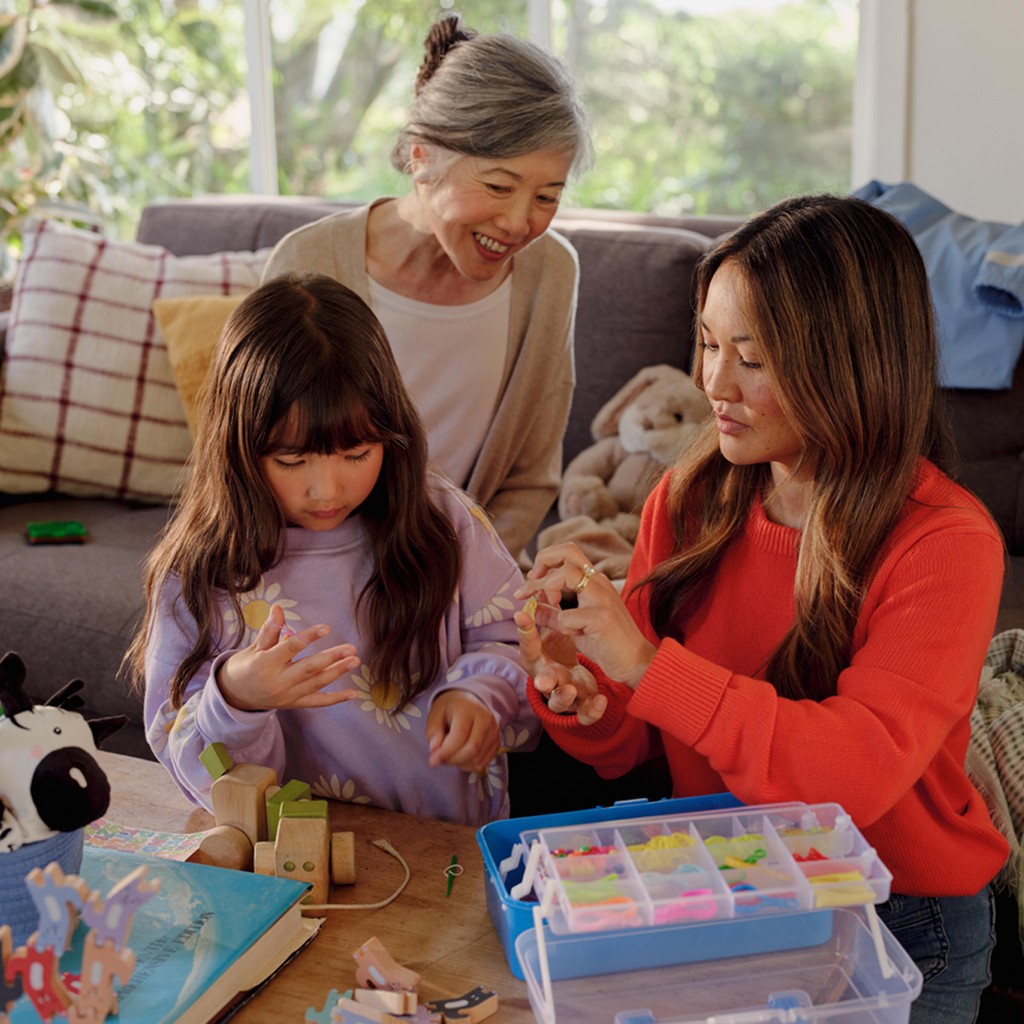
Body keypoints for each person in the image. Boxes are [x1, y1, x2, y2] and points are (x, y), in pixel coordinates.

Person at [512, 194, 1008, 1024]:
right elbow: (639, 739)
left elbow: (852, 776)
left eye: (752, 358)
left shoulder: (946, 543)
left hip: (900, 916)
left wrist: (645, 664)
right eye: (709, 344)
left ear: (851, 365)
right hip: (727, 884)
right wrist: (586, 695)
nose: (713, 383)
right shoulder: (690, 496)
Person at [125, 274, 538, 827]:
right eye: (292, 461)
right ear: (238, 447)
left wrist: (482, 694)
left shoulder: (443, 521)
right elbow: (184, 753)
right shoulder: (202, 571)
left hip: (450, 842)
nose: (327, 490)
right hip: (292, 854)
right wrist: (236, 698)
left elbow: (520, 639)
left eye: (357, 453)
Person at [262, 14, 592, 565]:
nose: (519, 223)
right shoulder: (308, 263)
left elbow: (531, 478)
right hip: (311, 569)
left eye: (546, 197)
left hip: (467, 569)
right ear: (422, 158)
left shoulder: (552, 273)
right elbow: (257, 455)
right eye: (499, 186)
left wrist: (461, 578)